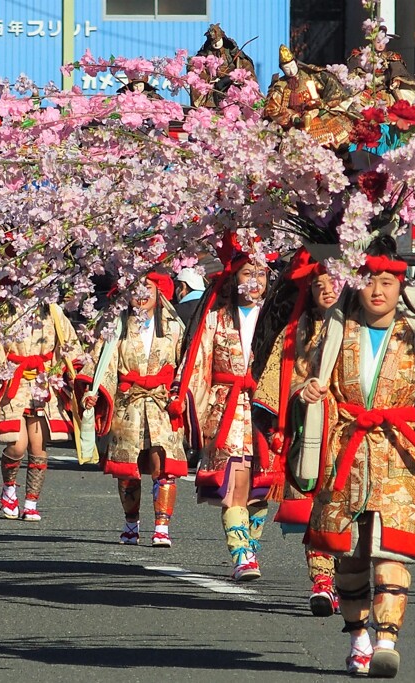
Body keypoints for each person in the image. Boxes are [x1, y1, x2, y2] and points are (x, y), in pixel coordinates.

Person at [295, 236, 415, 677]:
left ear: (401, 287)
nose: (378, 291)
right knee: (348, 555)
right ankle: (358, 637)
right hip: (343, 450)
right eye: (369, 282)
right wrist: (307, 393)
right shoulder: (334, 330)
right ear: (356, 286)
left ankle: (386, 639)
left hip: (398, 453)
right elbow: (300, 378)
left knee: (393, 552)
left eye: (387, 282)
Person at [173, 236, 271, 580]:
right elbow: (197, 362)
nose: (254, 281)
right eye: (247, 273)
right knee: (235, 484)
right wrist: (185, 404)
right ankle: (242, 553)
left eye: (260, 273)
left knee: (261, 490)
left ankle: (251, 544)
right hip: (224, 408)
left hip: (263, 410)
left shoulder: (274, 320)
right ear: (234, 277)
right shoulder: (216, 318)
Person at [252, 249, 340, 615]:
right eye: (318, 285)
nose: (327, 290)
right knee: (318, 505)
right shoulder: (299, 328)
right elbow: (279, 375)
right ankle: (322, 581)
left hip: (356, 426)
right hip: (315, 425)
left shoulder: (361, 323)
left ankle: (353, 577)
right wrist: (297, 394)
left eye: (333, 282)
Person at [83, 273, 186, 546]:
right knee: (128, 468)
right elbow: (102, 361)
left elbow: (186, 363)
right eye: (136, 287)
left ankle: (162, 526)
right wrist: (95, 391)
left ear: (159, 291)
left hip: (162, 400)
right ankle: (131, 521)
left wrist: (180, 393)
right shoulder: (116, 325)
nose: (142, 294)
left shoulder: (174, 326)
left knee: (163, 464)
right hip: (128, 401)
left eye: (148, 288)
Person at [0, 303, 87, 522]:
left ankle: (31, 501)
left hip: (43, 381)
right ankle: (8, 488)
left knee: (38, 445)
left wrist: (71, 374)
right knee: (17, 446)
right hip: (12, 382)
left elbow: (69, 345)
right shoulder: (0, 310)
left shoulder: (54, 311)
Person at [265, 45, 353, 149]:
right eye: (286, 68)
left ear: (296, 63)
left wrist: (323, 105)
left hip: (318, 114)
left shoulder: (310, 75)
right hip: (295, 124)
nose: (291, 71)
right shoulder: (281, 85)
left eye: (292, 66)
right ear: (282, 69)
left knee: (338, 141)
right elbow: (272, 108)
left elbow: (331, 85)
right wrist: (292, 117)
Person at [191, 23, 257, 108]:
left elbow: (245, 64)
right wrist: (208, 78)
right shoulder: (204, 54)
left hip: (231, 80)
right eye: (213, 42)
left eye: (218, 41)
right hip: (213, 83)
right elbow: (194, 66)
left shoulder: (231, 51)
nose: (216, 44)